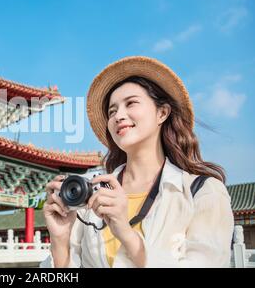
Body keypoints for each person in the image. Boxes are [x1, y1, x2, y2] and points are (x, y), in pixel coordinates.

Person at [41, 56, 234, 268]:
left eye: (130, 103)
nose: (118, 116)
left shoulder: (203, 193)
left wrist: (126, 233)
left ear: (162, 113)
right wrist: (59, 240)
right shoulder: (90, 197)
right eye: (112, 111)